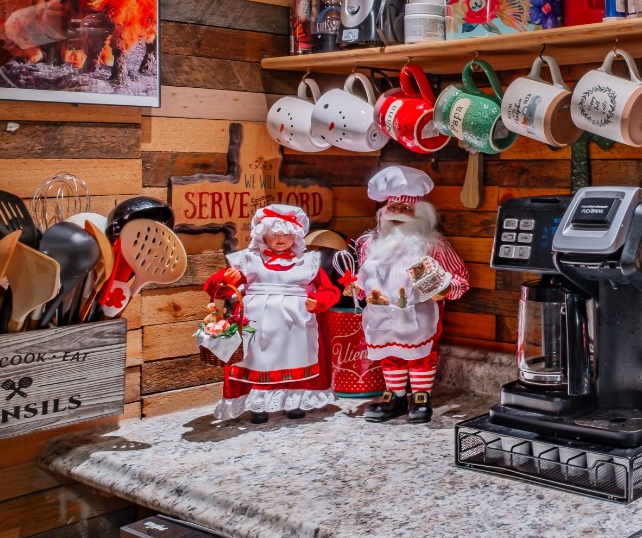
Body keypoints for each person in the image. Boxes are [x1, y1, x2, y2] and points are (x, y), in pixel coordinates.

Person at [200, 204, 340, 423]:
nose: (281, 238)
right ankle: (258, 405)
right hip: (259, 322)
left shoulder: (308, 262)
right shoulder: (247, 260)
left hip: (297, 326)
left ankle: (294, 401)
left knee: (294, 358)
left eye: (287, 234)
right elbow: (217, 288)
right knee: (258, 360)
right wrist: (226, 280)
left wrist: (320, 301)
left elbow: (330, 291)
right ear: (262, 234)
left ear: (296, 235)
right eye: (274, 234)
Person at [353, 165, 468, 423]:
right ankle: (394, 397)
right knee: (389, 355)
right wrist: (357, 288)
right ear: (383, 213)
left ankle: (420, 398)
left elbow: (461, 278)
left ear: (421, 216)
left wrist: (446, 290)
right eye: (394, 208)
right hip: (380, 315)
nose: (398, 214)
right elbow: (364, 275)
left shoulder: (432, 245)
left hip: (418, 315)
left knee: (420, 356)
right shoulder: (370, 244)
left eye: (406, 209)